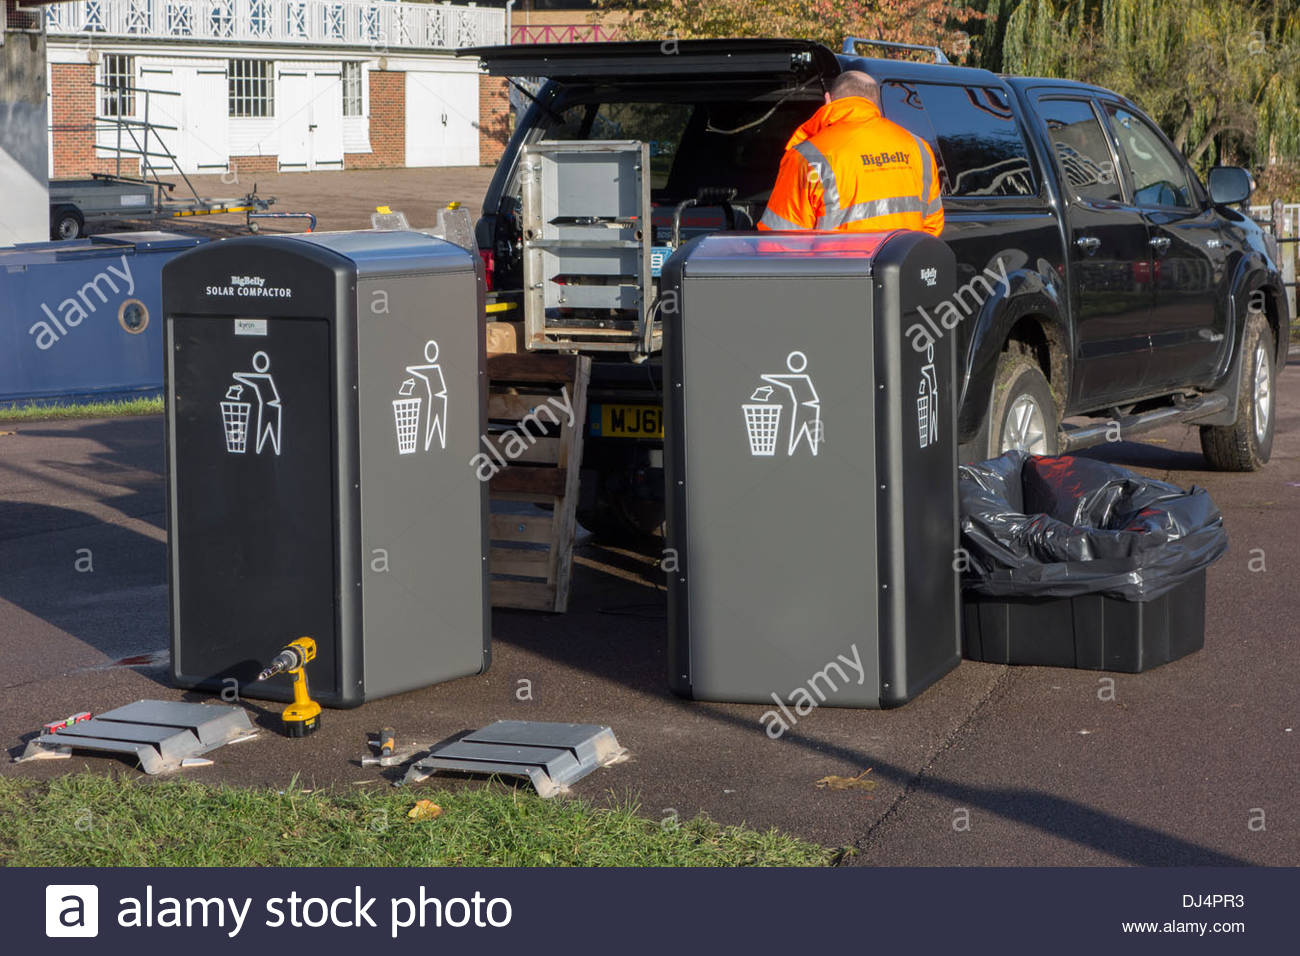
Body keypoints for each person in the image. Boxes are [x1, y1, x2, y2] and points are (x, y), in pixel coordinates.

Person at [758, 71, 944, 237]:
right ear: (874, 102)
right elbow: (932, 226)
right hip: (901, 270)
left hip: (840, 273)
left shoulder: (809, 156)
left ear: (828, 99)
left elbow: (781, 241)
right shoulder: (918, 147)